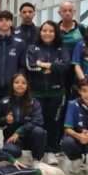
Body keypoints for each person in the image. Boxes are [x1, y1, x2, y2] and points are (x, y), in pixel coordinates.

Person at [26, 20, 70, 164]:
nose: (47, 33)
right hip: (37, 93)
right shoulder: (32, 48)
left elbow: (65, 67)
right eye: (44, 30)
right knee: (38, 122)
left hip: (56, 93)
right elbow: (31, 66)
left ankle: (51, 151)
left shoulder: (61, 48)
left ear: (55, 33)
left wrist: (43, 64)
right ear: (40, 32)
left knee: (53, 123)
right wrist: (52, 67)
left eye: (51, 31)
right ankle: (38, 152)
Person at [0, 74, 47, 166]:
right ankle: (19, 157)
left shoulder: (34, 102)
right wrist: (5, 120)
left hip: (29, 137)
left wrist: (19, 132)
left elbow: (38, 120)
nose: (20, 85)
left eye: (23, 83)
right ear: (12, 84)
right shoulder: (4, 102)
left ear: (27, 85)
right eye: (16, 82)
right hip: (12, 139)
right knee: (9, 151)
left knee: (40, 131)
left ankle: (37, 160)